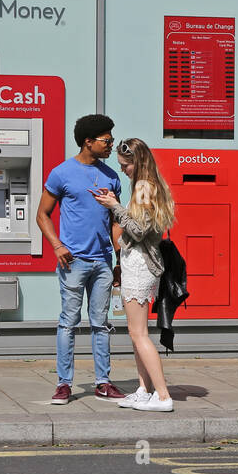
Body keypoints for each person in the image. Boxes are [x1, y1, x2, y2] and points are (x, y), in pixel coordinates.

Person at [36, 114, 126, 404]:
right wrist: (57, 245)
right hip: (72, 262)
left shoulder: (111, 176)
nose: (111, 145)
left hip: (102, 262)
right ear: (88, 142)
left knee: (101, 323)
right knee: (69, 322)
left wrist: (119, 258)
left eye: (111, 140)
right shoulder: (62, 173)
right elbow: (42, 215)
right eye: (107, 141)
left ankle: (103, 382)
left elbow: (115, 221)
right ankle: (64, 384)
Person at [93, 138, 176, 412]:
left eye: (125, 165)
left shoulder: (143, 187)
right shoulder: (147, 185)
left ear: (136, 163)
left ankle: (162, 396)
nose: (124, 170)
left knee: (138, 333)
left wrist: (114, 206)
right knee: (135, 333)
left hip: (140, 264)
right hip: (136, 264)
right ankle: (143, 390)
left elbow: (138, 231)